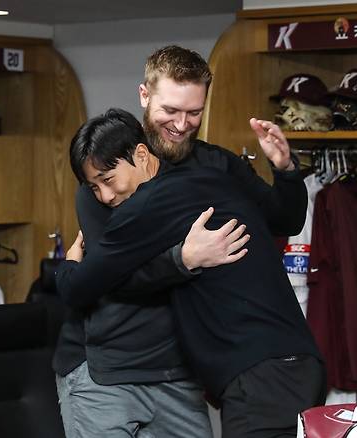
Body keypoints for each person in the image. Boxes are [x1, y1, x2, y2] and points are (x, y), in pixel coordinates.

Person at [53, 45, 310, 438]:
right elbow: (111, 277)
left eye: (194, 113)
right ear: (145, 95)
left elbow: (283, 220)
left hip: (178, 369)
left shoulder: (215, 165)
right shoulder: (109, 174)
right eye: (170, 111)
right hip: (107, 365)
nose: (181, 124)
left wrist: (287, 170)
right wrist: (184, 259)